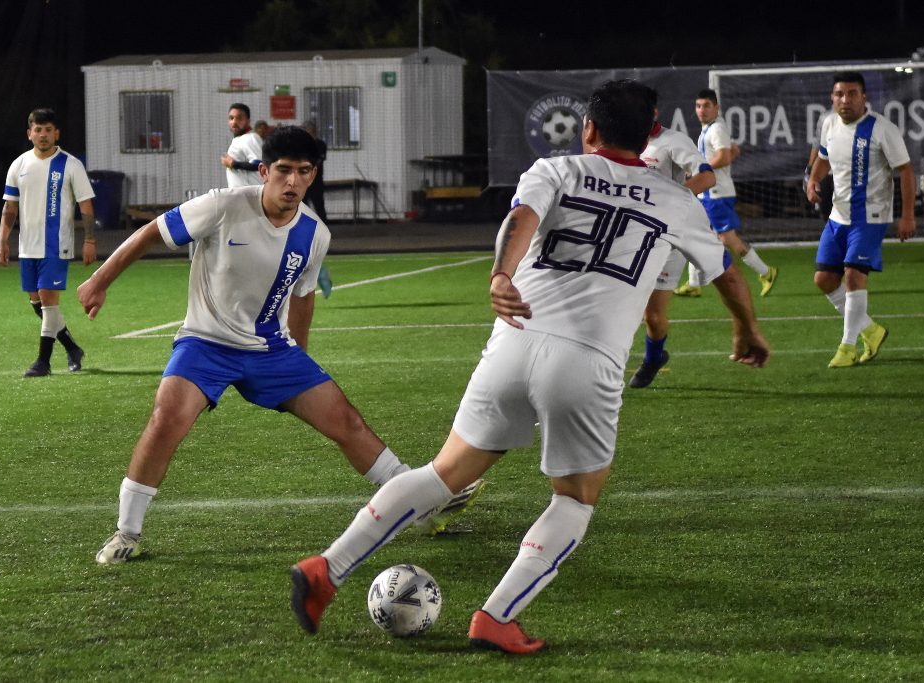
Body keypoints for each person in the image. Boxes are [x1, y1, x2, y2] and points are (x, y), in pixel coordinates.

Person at [289, 80, 769, 654]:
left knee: (444, 472)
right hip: (587, 362)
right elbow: (726, 273)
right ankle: (497, 617)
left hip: (514, 340)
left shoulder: (557, 168)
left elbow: (520, 218)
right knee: (575, 497)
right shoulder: (676, 199)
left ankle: (326, 568)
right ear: (650, 137)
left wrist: (500, 275)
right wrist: (746, 329)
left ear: (589, 128)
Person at [79, 127, 481, 565]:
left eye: (303, 172)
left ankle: (420, 505)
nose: (292, 181)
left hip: (271, 349)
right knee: (166, 418)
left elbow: (303, 295)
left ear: (313, 175)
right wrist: (99, 280)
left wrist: (300, 359)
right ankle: (127, 532)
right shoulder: (222, 205)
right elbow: (151, 232)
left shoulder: (314, 233)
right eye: (284, 170)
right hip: (205, 342)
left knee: (346, 422)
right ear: (264, 171)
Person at [631, 90, 770, 388]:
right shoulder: (623, 143)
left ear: (654, 112)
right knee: (648, 317)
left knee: (720, 271)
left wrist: (671, 200)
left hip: (673, 231)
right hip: (637, 235)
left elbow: (707, 176)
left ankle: (745, 325)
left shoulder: (673, 141)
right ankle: (653, 355)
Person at [806, 71, 915, 368]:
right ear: (832, 98)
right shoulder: (829, 123)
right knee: (824, 279)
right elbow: (823, 157)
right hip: (838, 215)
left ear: (864, 97)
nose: (845, 100)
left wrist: (907, 215)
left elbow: (905, 170)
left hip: (871, 216)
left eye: (852, 93)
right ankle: (871, 330)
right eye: (839, 94)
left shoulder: (882, 129)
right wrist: (813, 179)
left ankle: (847, 347)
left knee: (853, 275)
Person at [0, 107, 96, 377]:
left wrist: (89, 239)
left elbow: (86, 205)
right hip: (27, 245)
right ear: (29, 133)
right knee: (36, 303)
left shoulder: (71, 164)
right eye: (38, 130)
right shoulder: (19, 165)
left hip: (56, 245)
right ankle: (72, 348)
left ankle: (43, 362)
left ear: (57, 134)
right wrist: (2, 240)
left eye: (48, 130)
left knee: (48, 301)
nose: (43, 135)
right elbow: (10, 208)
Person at [674, 88, 778, 298]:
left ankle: (766, 272)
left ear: (716, 108)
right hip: (709, 193)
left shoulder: (716, 128)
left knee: (728, 239)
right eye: (698, 106)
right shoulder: (710, 128)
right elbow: (729, 151)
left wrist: (700, 169)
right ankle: (694, 283)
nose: (701, 110)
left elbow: (723, 157)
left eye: (706, 106)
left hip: (717, 194)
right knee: (694, 231)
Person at [302, 120, 333, 298]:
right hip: (303, 186)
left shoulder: (319, 145)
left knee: (318, 207)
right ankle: (318, 271)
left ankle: (318, 270)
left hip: (316, 184)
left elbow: (317, 162)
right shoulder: (300, 146)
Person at [220, 103, 264, 188]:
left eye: (239, 118)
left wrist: (233, 164)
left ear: (248, 121)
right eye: (231, 118)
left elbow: (259, 164)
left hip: (250, 192)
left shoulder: (250, 138)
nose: (234, 122)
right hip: (241, 193)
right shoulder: (239, 139)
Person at [805, 108, 836, 220]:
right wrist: (810, 170)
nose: (844, 100)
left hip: (849, 175)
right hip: (827, 174)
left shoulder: (864, 121)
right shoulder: (825, 118)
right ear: (833, 98)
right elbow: (818, 145)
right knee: (826, 212)